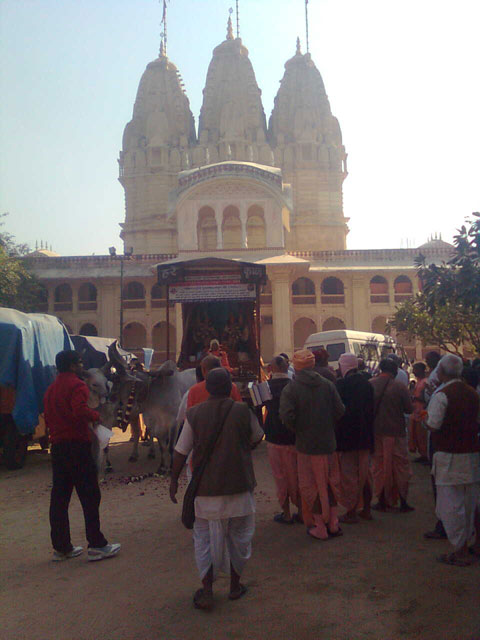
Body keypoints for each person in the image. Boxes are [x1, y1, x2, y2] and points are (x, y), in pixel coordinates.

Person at [169, 368, 264, 611]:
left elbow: (181, 451)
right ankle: (234, 586)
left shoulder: (194, 414)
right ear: (230, 387)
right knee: (240, 539)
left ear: (208, 388)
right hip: (239, 487)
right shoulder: (243, 411)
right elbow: (257, 437)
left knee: (203, 541)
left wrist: (173, 481)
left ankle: (208, 591)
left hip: (205, 492)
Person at [44, 350, 120, 562]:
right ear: (71, 366)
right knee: (90, 495)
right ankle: (96, 544)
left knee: (60, 498)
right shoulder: (77, 385)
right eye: (79, 362)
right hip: (77, 446)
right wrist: (95, 416)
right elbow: (79, 410)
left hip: (58, 448)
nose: (81, 365)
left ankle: (62, 547)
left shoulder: (51, 389)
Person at [279, 349, 345, 540]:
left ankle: (319, 526)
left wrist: (300, 429)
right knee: (330, 482)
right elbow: (340, 410)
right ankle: (333, 523)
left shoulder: (291, 389)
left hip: (306, 445)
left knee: (311, 486)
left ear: (296, 368)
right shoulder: (327, 385)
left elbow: (286, 416)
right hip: (328, 443)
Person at [425, 354, 480, 566]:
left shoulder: (442, 395)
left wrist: (423, 421)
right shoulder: (472, 394)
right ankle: (464, 546)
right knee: (468, 505)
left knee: (450, 507)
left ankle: (459, 550)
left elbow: (434, 424)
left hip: (449, 457)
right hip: (471, 456)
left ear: (441, 372)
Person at [370, 358, 414, 512]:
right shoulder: (400, 387)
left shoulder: (371, 384)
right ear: (395, 371)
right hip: (397, 432)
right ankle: (402, 501)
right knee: (400, 467)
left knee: (379, 466)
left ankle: (381, 499)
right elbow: (409, 409)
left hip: (376, 432)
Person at [335, 353, 375, 524]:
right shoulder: (367, 384)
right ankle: (366, 509)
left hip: (348, 437)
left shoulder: (342, 385)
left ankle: (351, 512)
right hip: (365, 435)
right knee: (365, 474)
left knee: (349, 476)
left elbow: (338, 411)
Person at [263, 355, 301, 524]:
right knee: (297, 475)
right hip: (293, 436)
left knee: (280, 476)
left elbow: (258, 409)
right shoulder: (295, 386)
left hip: (273, 436)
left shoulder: (265, 387)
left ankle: (285, 512)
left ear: (272, 368)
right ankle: (302, 511)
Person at [408, 362, 429, 462]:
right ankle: (422, 454)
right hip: (416, 412)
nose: (413, 372)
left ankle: (425, 456)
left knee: (422, 436)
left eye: (415, 369)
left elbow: (426, 398)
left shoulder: (425, 382)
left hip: (422, 413)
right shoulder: (418, 382)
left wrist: (415, 397)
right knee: (417, 435)